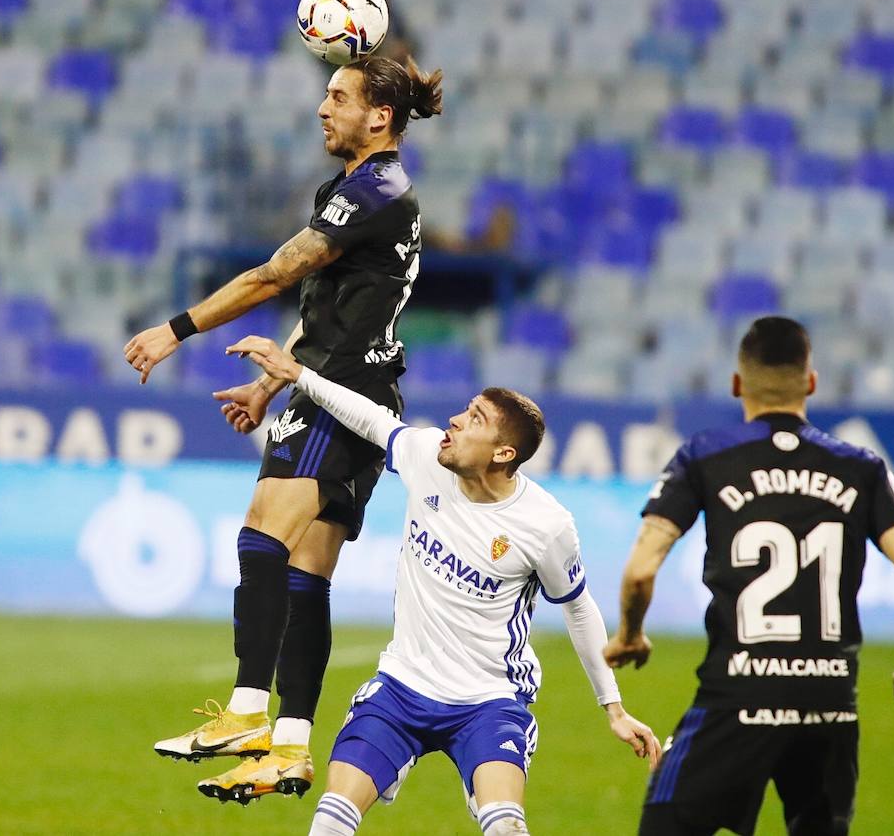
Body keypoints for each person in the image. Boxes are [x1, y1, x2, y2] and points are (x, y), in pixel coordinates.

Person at [129, 56, 443, 799]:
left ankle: (245, 711)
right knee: (305, 576)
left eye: (339, 96)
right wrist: (271, 384)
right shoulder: (358, 189)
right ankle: (293, 747)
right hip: (346, 389)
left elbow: (275, 275)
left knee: (260, 534)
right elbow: (334, 312)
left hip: (344, 396)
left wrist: (178, 329)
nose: (322, 107)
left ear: (381, 118)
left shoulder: (375, 189)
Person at [225, 334, 661, 834]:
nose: (455, 420)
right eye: (465, 409)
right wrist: (297, 374)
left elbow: (578, 609)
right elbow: (370, 418)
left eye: (475, 419)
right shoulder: (428, 454)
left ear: (503, 453)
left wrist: (614, 708)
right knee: (329, 822)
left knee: (504, 826)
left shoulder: (546, 524)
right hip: (400, 690)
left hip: (490, 701)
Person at [603, 316, 894, 836]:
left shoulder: (705, 455)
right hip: (831, 705)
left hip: (738, 697)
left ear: (738, 384)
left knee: (665, 821)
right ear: (811, 382)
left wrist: (629, 635)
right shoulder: (862, 466)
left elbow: (642, 569)